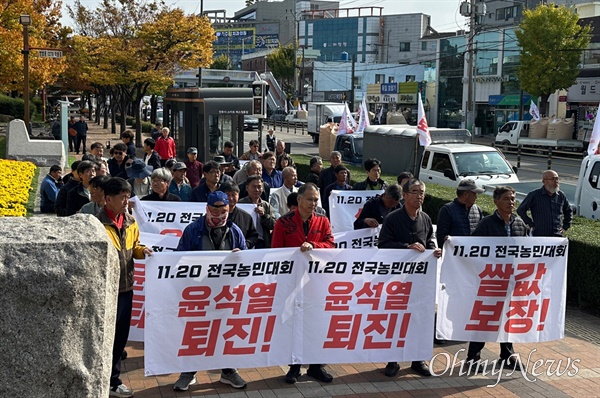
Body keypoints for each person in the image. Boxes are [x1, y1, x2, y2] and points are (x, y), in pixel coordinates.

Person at [173, 191, 248, 391]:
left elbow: (247, 262)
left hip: (226, 294)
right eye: (214, 210)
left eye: (223, 211)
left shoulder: (234, 231)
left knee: (225, 332)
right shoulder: (193, 230)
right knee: (196, 332)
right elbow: (179, 259)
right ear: (206, 209)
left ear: (229, 209)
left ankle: (228, 371)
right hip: (199, 293)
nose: (219, 215)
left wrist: (241, 257)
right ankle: (189, 372)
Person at [271, 183, 335, 384]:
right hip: (291, 283)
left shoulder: (323, 221)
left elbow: (331, 244)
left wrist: (314, 246)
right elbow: (276, 252)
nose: (313, 204)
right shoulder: (283, 222)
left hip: (315, 283)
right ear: (298, 200)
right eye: (310, 199)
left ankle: (316, 366)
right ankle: (294, 367)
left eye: (316, 200)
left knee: (316, 323)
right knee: (292, 325)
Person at [378, 179, 442, 378]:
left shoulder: (425, 218)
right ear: (404, 195)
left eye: (421, 192)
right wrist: (407, 247)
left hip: (420, 281)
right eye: (414, 192)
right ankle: (392, 360)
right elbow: (383, 244)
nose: (419, 196)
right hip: (397, 281)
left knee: (419, 320)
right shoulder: (393, 218)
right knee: (397, 320)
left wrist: (434, 251)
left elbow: (430, 240)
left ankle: (418, 359)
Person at [96, 177, 152, 397]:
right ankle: (100, 377)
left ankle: (113, 380)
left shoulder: (129, 221)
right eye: (123, 197)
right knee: (104, 338)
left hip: (127, 289)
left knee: (120, 338)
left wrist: (143, 251)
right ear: (108, 199)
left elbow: (134, 247)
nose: (127, 200)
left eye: (128, 196)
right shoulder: (97, 224)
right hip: (106, 292)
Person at [467, 186, 528, 372]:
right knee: (485, 318)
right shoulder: (486, 224)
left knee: (508, 318)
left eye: (513, 198)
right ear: (496, 202)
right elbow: (474, 249)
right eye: (507, 199)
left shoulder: (519, 224)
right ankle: (473, 357)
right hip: (492, 281)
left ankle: (507, 355)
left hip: (511, 281)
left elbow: (526, 251)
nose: (511, 202)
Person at [517, 170, 572, 237]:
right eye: (553, 179)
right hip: (540, 234)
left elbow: (568, 211)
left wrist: (565, 226)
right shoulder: (534, 195)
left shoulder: (560, 195)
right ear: (544, 181)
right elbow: (520, 210)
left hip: (556, 234)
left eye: (557, 179)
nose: (556, 181)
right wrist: (530, 223)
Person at [436, 179, 484, 248]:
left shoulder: (478, 210)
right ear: (465, 194)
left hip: (472, 255)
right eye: (474, 194)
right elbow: (441, 236)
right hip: (454, 256)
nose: (476, 197)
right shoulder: (447, 210)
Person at [239, 175, 277, 248]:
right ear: (247, 188)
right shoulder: (240, 204)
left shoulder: (266, 205)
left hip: (262, 242)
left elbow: (274, 225)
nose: (256, 190)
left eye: (259, 187)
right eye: (254, 187)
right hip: (246, 241)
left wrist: (264, 215)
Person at [219, 183, 259, 248]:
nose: (231, 198)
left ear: (238, 195)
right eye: (228, 195)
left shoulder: (246, 217)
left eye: (234, 195)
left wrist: (244, 245)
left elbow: (253, 236)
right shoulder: (215, 216)